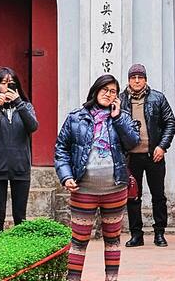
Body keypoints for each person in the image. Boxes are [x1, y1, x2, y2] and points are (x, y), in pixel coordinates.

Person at [55, 75, 142, 281]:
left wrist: (118, 117)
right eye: (104, 89)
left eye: (113, 91)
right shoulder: (76, 117)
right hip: (83, 190)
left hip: (115, 189)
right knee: (79, 240)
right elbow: (61, 149)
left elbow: (133, 143)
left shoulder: (123, 117)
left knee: (112, 239)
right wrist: (66, 175)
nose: (108, 94)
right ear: (95, 91)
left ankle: (111, 279)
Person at [118, 64, 175, 248]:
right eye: (133, 77)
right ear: (128, 80)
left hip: (154, 155)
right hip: (131, 158)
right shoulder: (120, 100)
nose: (136, 81)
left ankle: (160, 233)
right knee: (133, 196)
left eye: (140, 77)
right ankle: (136, 234)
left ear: (145, 80)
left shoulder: (157, 98)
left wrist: (162, 146)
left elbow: (170, 123)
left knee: (158, 196)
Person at [0, 68, 38, 236]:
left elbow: (33, 126)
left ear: (16, 85)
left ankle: (21, 252)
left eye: (10, 83)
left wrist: (19, 102)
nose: (6, 87)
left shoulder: (25, 106)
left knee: (20, 217)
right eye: (3, 83)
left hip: (20, 167)